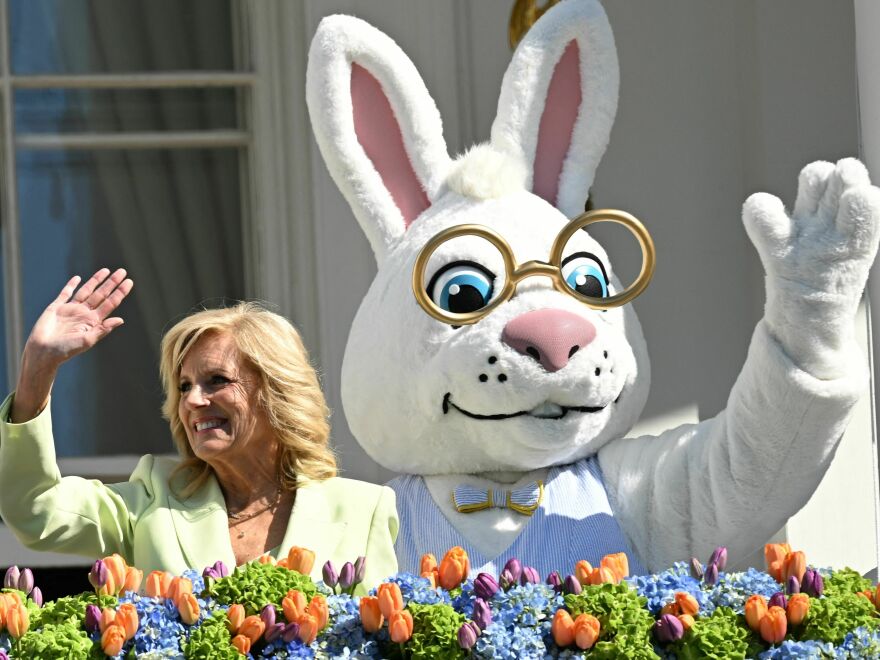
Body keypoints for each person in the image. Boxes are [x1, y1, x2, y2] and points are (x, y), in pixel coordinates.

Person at [0, 268, 398, 589]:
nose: (191, 401)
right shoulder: (152, 501)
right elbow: (36, 510)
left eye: (217, 381)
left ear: (276, 391)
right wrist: (38, 368)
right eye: (184, 386)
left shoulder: (364, 511)